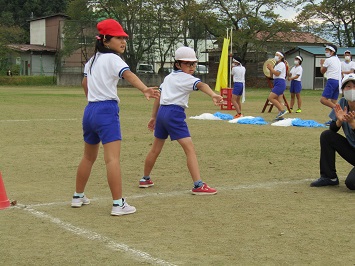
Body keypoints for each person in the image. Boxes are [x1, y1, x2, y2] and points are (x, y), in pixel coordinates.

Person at [71, 19, 159, 216]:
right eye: (118, 38)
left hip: (90, 110)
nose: (123, 42)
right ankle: (118, 204)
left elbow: (85, 85)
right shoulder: (114, 59)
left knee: (88, 156)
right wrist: (145, 88)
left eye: (124, 38)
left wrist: (93, 100)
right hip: (106, 110)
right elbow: (128, 75)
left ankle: (78, 196)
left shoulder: (90, 61)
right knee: (112, 159)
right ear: (105, 40)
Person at [138, 46, 223, 195]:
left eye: (194, 64)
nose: (192, 67)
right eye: (188, 64)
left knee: (155, 149)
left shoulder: (168, 78)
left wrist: (154, 116)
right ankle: (198, 185)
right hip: (174, 113)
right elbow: (202, 85)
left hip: (163, 112)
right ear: (178, 64)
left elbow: (159, 98)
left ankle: (145, 179)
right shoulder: (187, 78)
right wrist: (213, 95)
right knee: (190, 149)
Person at [310, 74, 355, 188]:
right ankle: (329, 176)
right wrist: (339, 121)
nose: (351, 90)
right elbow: (332, 129)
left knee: (351, 183)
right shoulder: (343, 102)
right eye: (348, 87)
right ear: (343, 90)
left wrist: (352, 124)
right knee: (327, 136)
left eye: (354, 86)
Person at [319, 44, 342, 125]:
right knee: (333, 101)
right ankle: (334, 120)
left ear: (332, 52)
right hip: (338, 81)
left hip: (332, 80)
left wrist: (321, 64)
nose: (326, 52)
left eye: (328, 51)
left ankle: (339, 110)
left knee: (323, 100)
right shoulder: (338, 60)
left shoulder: (329, 60)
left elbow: (322, 71)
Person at [266, 51, 288, 119]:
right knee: (278, 100)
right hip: (276, 82)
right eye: (275, 55)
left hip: (280, 83)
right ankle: (280, 116)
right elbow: (271, 76)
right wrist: (270, 69)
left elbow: (277, 73)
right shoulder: (276, 65)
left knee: (271, 98)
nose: (275, 56)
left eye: (277, 55)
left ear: (281, 57)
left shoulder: (282, 64)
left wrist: (271, 69)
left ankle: (282, 110)